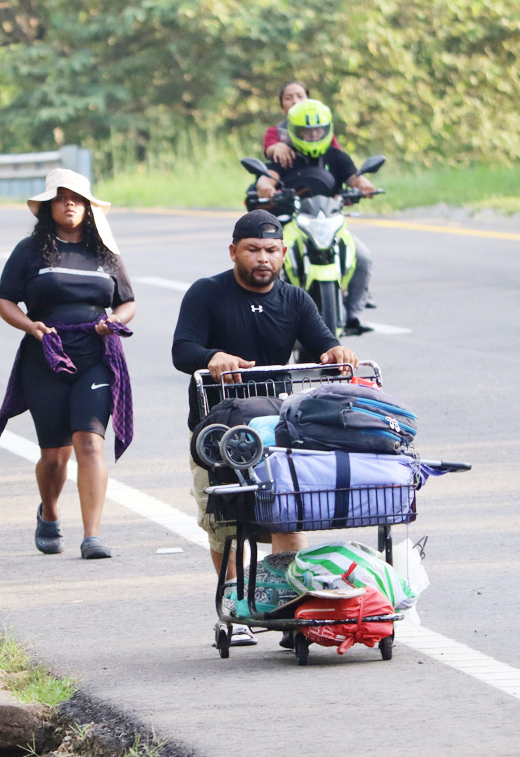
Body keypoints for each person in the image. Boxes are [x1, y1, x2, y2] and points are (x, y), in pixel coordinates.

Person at [171, 209, 358, 644]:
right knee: (226, 523)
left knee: (287, 517)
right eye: (253, 250)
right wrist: (210, 356)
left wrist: (336, 351)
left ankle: (291, 612)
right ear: (234, 251)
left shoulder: (294, 299)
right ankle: (236, 606)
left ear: (283, 253)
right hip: (217, 434)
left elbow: (323, 343)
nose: (263, 259)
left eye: (271, 251)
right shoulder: (206, 293)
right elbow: (183, 350)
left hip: (275, 429)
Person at [0, 168, 136, 560]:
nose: (69, 203)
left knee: (89, 442)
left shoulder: (105, 252)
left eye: (76, 198)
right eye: (60, 197)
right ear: (48, 207)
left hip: (96, 355)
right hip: (47, 356)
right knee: (55, 455)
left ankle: (92, 536)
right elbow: (4, 300)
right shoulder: (30, 251)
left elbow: (127, 301)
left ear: (88, 207)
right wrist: (30, 326)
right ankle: (50, 512)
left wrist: (114, 322)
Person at [256, 98, 375, 335]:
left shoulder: (336, 156)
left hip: (331, 222)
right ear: (293, 131)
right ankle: (267, 313)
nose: (312, 135)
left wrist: (364, 184)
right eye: (306, 131)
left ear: (327, 129)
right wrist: (266, 186)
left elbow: (355, 178)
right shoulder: (284, 156)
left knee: (362, 257)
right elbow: (266, 178)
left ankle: (353, 314)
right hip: (294, 222)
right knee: (274, 261)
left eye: (317, 131)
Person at [262, 80, 339, 169]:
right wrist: (277, 147)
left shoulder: (322, 129)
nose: (295, 101)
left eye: (300, 96)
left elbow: (338, 155)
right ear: (281, 106)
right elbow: (268, 149)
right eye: (288, 98)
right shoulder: (275, 131)